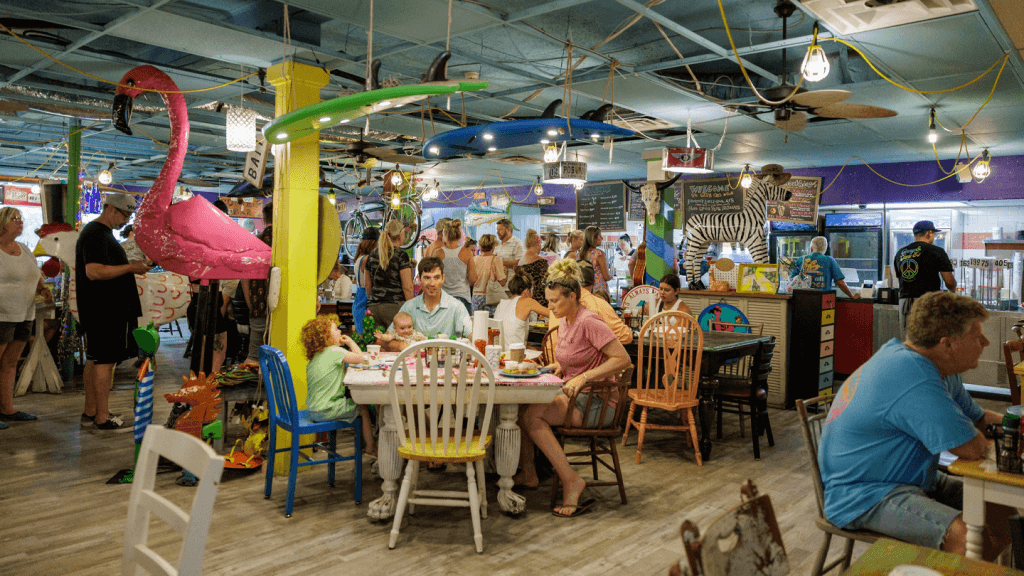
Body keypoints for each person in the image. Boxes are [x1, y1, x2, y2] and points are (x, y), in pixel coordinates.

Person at [819, 291, 1010, 559]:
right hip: (865, 493)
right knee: (967, 538)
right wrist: (978, 434)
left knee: (1004, 507)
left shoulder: (939, 368)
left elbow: (980, 419)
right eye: (977, 337)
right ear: (949, 344)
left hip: (913, 478)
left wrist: (1019, 425)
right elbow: (971, 448)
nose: (987, 342)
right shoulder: (913, 373)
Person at [515, 259, 631, 517]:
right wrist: (559, 365)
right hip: (578, 396)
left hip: (598, 404)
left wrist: (584, 377)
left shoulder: (589, 321)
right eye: (548, 300)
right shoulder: (566, 320)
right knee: (521, 408)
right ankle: (530, 472)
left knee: (532, 416)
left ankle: (570, 480)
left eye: (555, 301)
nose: (550, 306)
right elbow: (578, 356)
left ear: (573, 296)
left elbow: (623, 360)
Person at [76, 193, 153, 429]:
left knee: (96, 359)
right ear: (110, 209)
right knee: (104, 362)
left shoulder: (100, 234)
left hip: (102, 310)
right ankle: (102, 416)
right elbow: (94, 272)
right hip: (104, 310)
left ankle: (92, 411)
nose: (125, 219)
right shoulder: (95, 234)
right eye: (124, 214)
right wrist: (131, 267)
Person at [0, 208, 49, 428]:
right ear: (2, 222)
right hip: (2, 313)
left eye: (21, 219)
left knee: (10, 363)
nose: (20, 223)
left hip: (25, 312)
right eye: (15, 219)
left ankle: (7, 408)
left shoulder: (24, 248)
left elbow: (35, 274)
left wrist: (43, 288)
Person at [300, 315, 375, 456]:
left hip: (314, 409)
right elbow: (360, 359)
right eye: (336, 329)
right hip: (327, 409)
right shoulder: (335, 352)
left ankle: (367, 446)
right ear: (325, 337)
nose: (340, 332)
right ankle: (371, 448)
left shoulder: (315, 356)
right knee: (363, 409)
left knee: (354, 403)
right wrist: (351, 342)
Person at [894, 220, 955, 337]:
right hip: (928, 302)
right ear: (928, 233)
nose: (934, 237)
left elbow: (899, 278)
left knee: (909, 340)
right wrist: (953, 290)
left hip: (905, 303)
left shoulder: (900, 253)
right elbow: (949, 281)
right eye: (934, 234)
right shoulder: (937, 251)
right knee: (929, 339)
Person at [391, 256, 471, 338]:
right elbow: (384, 339)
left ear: (443, 278)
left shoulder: (457, 307)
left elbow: (472, 335)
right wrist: (401, 345)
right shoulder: (409, 307)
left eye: (437, 278)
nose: (432, 283)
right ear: (419, 279)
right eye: (427, 278)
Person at [366, 219, 414, 330]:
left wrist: (372, 301)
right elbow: (407, 287)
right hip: (394, 308)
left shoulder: (372, 254)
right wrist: (412, 309)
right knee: (397, 343)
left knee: (376, 344)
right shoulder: (401, 255)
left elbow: (368, 284)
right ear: (400, 235)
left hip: (373, 308)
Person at [242, 201, 273, 364]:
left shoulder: (254, 242)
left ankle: (251, 384)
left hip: (258, 304)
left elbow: (244, 278)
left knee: (254, 354)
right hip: (282, 307)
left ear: (263, 218)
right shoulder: (287, 244)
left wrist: (250, 303)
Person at [426, 219, 476, 315]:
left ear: (446, 234)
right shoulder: (467, 253)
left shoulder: (438, 253)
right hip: (463, 298)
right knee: (463, 329)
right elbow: (472, 279)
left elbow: (431, 277)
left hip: (443, 298)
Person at [792, 236, 860, 300]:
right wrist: (852, 296)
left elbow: (792, 279)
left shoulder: (800, 260)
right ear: (825, 249)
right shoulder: (829, 260)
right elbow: (840, 283)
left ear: (811, 249)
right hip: (823, 300)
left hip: (801, 298)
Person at [496, 271, 549, 350]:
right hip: (515, 355)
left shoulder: (501, 304)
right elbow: (553, 314)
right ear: (527, 291)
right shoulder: (527, 301)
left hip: (500, 354)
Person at [472, 233, 507, 316]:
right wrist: (506, 272)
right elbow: (502, 282)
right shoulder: (496, 259)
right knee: (490, 325)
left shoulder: (474, 259)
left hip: (475, 297)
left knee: (477, 325)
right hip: (489, 297)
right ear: (493, 246)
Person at [352, 227, 379, 335]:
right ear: (373, 242)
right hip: (365, 298)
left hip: (358, 298)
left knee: (362, 336)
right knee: (367, 337)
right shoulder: (367, 259)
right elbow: (369, 281)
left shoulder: (359, 257)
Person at [517, 229, 550, 306]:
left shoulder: (520, 262)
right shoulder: (541, 262)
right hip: (539, 301)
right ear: (538, 244)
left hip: (524, 301)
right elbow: (545, 282)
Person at [579, 226, 611, 296]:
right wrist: (611, 277)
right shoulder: (599, 254)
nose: (602, 238)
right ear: (593, 238)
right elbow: (606, 277)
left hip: (584, 288)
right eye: (600, 236)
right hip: (598, 289)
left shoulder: (580, 253)